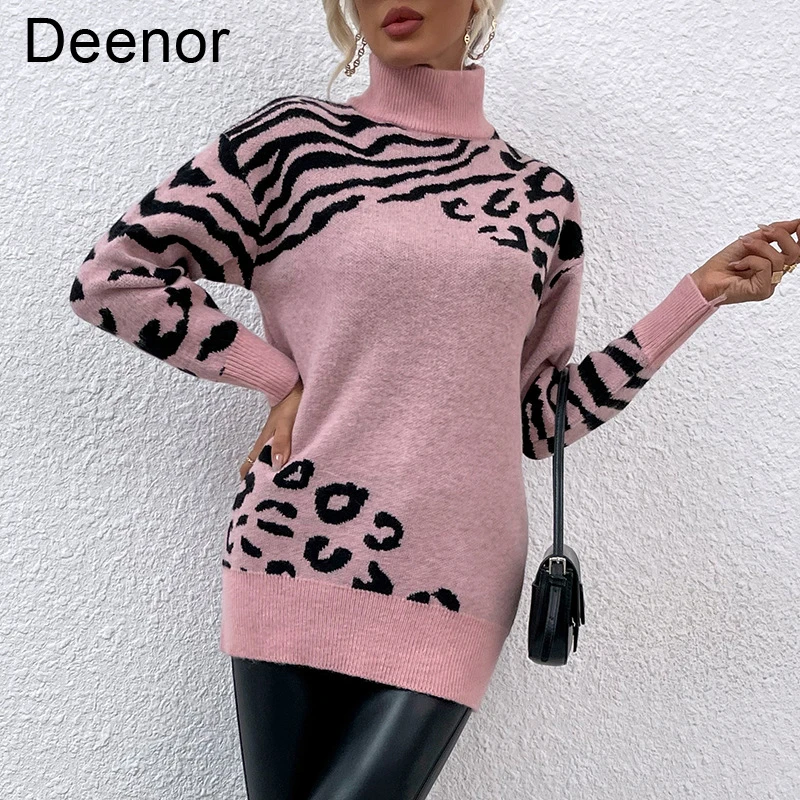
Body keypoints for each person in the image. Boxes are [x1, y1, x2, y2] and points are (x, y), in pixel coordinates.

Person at [68, 0, 798, 797]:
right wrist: (275, 376)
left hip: (459, 574)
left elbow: (538, 419)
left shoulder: (541, 197)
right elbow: (114, 278)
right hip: (295, 543)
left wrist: (695, 299)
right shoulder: (291, 145)